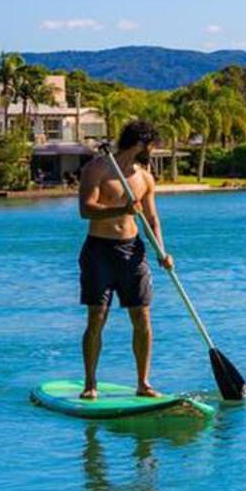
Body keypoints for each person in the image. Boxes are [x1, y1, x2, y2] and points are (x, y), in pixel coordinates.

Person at [76, 120, 173, 399]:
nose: (152, 151)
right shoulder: (97, 168)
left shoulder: (145, 177)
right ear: (141, 143)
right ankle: (90, 384)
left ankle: (143, 383)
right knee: (97, 317)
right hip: (99, 251)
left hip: (133, 251)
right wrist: (122, 208)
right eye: (152, 145)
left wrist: (161, 252)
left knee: (142, 317)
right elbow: (86, 210)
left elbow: (152, 219)